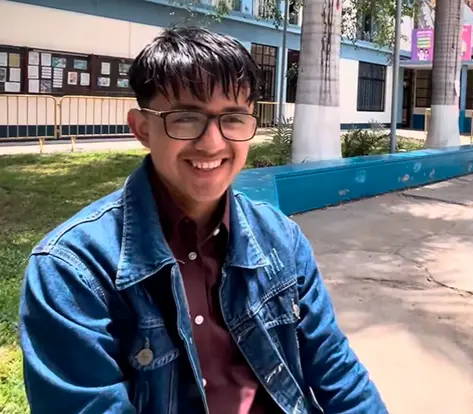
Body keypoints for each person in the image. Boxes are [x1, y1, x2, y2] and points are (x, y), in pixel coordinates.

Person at [19, 26, 387, 413]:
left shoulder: (281, 240)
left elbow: (337, 372)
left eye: (232, 118)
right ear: (142, 128)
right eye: (185, 118)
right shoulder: (72, 271)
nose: (212, 143)